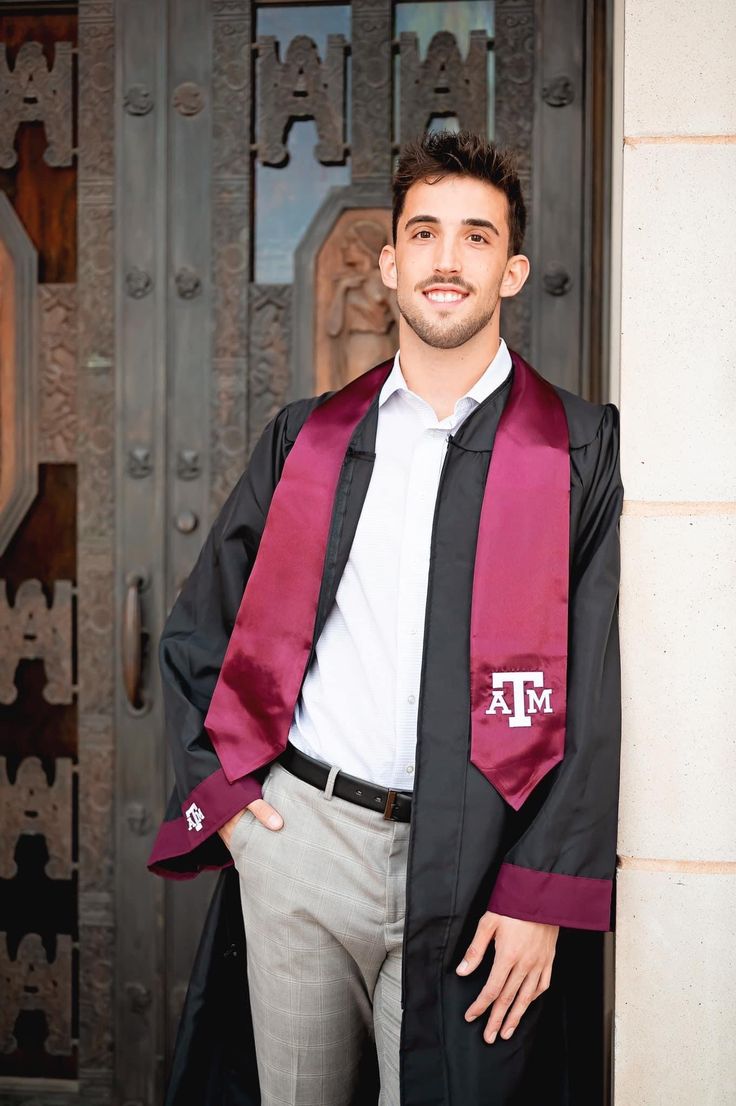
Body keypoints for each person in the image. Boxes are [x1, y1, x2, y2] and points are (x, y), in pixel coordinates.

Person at [148, 129, 624, 1106]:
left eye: (477, 237)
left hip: (477, 858)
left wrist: (539, 891)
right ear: (390, 262)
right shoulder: (311, 439)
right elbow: (201, 634)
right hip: (304, 842)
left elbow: (593, 685)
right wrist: (233, 811)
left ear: (514, 268)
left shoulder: (574, 450)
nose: (448, 259)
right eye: (426, 233)